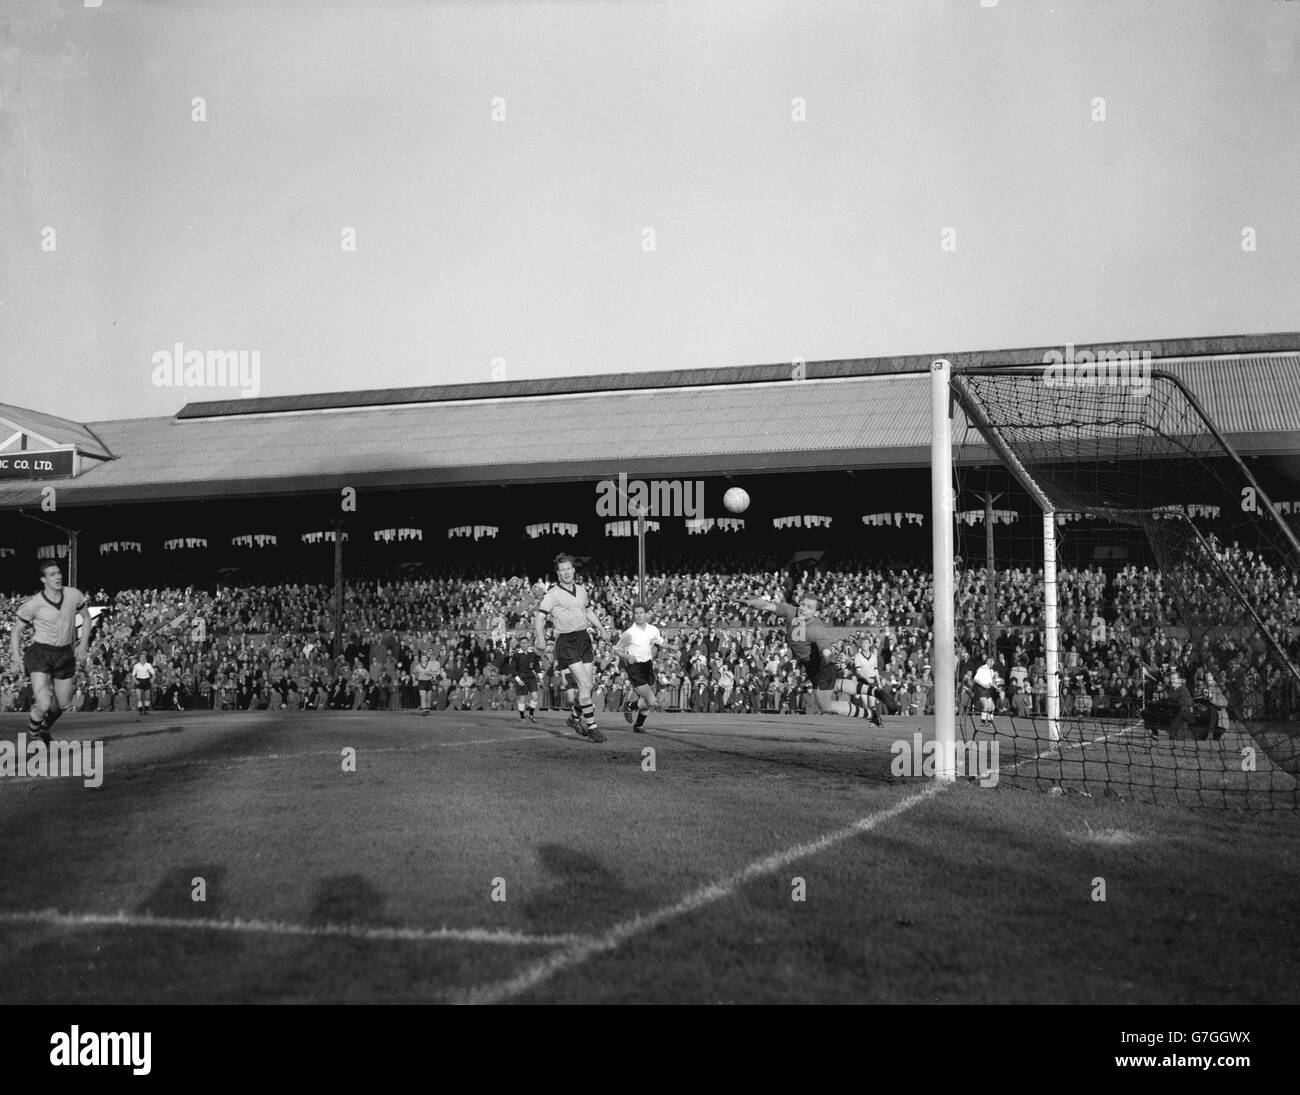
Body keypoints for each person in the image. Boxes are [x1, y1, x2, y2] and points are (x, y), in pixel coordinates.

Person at [745, 580, 872, 720]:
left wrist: (832, 658)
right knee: (834, 691)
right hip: (811, 665)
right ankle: (871, 703)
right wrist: (750, 602)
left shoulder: (817, 627)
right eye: (802, 604)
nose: (803, 608)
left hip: (820, 665)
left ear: (815, 612)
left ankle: (869, 712)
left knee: (826, 705)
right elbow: (767, 605)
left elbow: (826, 652)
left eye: (808, 607)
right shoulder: (790, 611)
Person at [9, 559, 90, 745]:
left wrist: (83, 645)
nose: (58, 576)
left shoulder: (73, 595)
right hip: (40, 654)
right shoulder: (33, 604)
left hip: (65, 653)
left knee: (62, 704)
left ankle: (43, 729)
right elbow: (16, 631)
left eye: (59, 573)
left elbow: (86, 618)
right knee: (44, 703)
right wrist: (15, 658)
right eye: (52, 574)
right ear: (43, 580)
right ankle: (33, 737)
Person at [534, 554, 613, 743]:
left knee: (587, 687)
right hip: (566, 641)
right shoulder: (552, 593)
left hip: (583, 638)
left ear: (574, 570)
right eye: (562, 570)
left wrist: (601, 629)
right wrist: (541, 639)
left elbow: (587, 611)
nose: (566, 572)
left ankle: (574, 717)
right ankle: (592, 727)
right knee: (584, 685)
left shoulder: (581, 589)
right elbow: (540, 618)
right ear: (558, 573)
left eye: (569, 568)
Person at [612, 602, 664, 733]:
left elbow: (661, 642)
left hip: (648, 666)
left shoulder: (653, 629)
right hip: (635, 668)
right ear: (633, 615)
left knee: (645, 699)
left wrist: (671, 647)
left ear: (646, 614)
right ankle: (629, 705)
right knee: (651, 701)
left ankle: (638, 726)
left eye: (641, 613)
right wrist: (627, 657)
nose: (639, 615)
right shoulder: (629, 633)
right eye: (636, 613)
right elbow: (617, 649)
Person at [508, 636, 542, 724]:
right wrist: (518, 680)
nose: (524, 645)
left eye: (525, 643)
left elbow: (537, 666)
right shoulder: (516, 655)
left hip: (531, 677)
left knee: (535, 697)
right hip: (521, 678)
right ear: (520, 644)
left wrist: (540, 677)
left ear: (528, 643)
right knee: (522, 699)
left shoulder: (532, 654)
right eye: (522, 643)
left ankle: (531, 714)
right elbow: (513, 670)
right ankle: (522, 717)